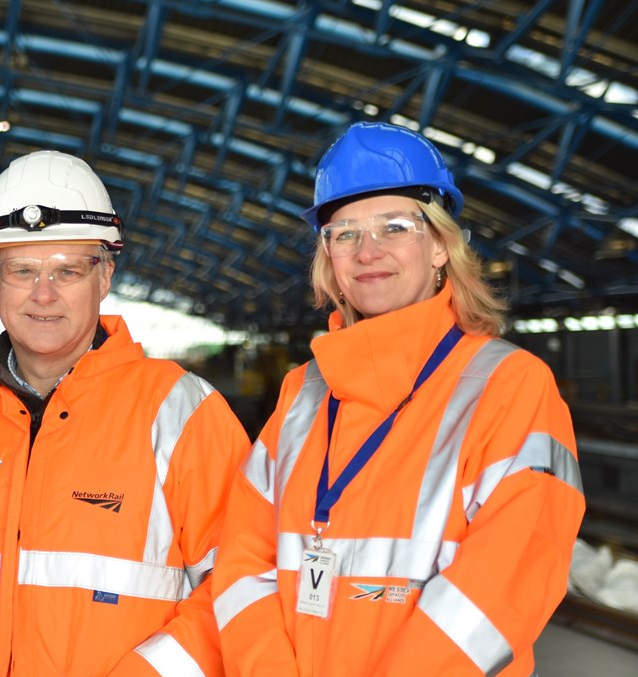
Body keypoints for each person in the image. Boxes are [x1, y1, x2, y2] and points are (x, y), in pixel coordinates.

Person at [211, 121, 586, 676]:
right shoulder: (302, 394)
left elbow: (504, 583)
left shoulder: (509, 386)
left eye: (394, 227)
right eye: (344, 233)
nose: (368, 252)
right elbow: (243, 562)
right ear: (328, 260)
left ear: (440, 246)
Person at [0, 150, 252, 676]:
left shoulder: (183, 414)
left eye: (67, 270)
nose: (43, 294)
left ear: (104, 276)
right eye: (23, 269)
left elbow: (239, 584)